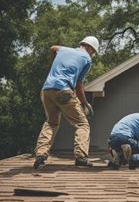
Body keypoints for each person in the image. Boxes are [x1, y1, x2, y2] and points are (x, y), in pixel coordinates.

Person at [33, 36, 99, 169]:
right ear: (90, 48)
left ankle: (40, 155)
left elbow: (53, 48)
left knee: (51, 123)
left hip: (46, 90)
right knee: (82, 124)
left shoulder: (63, 50)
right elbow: (79, 85)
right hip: (63, 91)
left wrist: (56, 62)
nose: (92, 54)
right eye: (93, 52)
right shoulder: (87, 59)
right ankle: (81, 157)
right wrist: (85, 103)